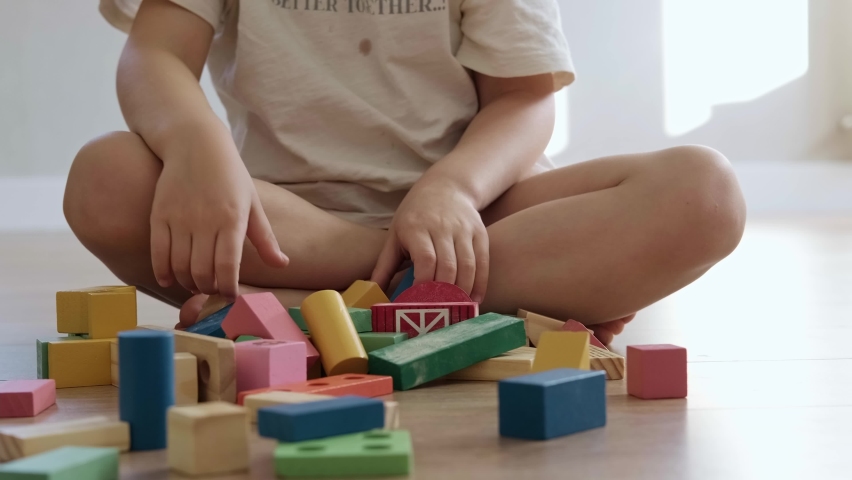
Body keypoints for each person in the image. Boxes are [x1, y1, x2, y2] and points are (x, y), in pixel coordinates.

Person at [64, 0, 746, 345]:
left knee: (705, 194)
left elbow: (525, 97)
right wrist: (193, 144)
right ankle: (455, 306)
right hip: (289, 227)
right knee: (105, 177)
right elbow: (154, 54)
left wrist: (450, 190)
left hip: (482, 220)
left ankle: (309, 318)